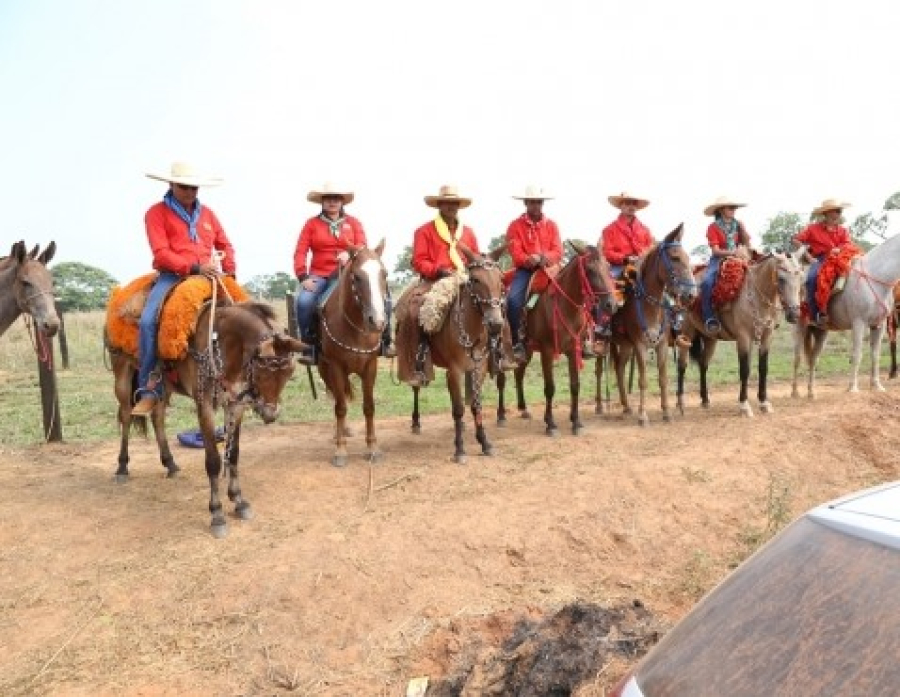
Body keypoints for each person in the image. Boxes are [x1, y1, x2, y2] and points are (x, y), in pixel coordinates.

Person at [132, 161, 236, 416]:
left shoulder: (208, 214)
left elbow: (225, 244)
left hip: (211, 277)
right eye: (184, 187)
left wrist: (230, 272)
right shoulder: (156, 213)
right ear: (171, 184)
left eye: (194, 187)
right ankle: (150, 387)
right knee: (148, 321)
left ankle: (245, 378)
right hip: (173, 276)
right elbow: (161, 252)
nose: (190, 192)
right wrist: (194, 267)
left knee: (245, 316)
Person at [292, 183, 395, 365]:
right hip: (319, 275)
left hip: (348, 274)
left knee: (384, 299)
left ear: (342, 202)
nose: (332, 202)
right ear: (322, 202)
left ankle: (385, 340)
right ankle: (310, 347)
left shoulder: (353, 223)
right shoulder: (311, 224)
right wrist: (303, 276)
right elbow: (300, 251)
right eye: (328, 199)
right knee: (304, 302)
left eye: (336, 199)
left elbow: (362, 246)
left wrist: (350, 253)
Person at [397, 185, 480, 386]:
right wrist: (438, 270)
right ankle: (418, 363)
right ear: (439, 205)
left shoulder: (468, 232)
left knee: (494, 303)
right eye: (447, 203)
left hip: (464, 278)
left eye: (454, 203)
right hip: (434, 280)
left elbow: (475, 257)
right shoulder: (424, 231)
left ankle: (500, 352)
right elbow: (418, 261)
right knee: (414, 311)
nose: (451, 206)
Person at [505, 185, 563, 363]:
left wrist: (544, 257)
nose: (536, 205)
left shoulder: (552, 225)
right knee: (513, 301)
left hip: (550, 269)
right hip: (526, 270)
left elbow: (558, 250)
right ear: (525, 203)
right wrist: (528, 259)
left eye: (539, 202)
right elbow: (515, 251)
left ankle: (583, 337)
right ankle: (517, 342)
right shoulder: (515, 226)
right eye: (532, 202)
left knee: (575, 291)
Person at [593, 191, 655, 354]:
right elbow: (607, 252)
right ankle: (602, 332)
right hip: (619, 266)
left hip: (642, 266)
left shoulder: (645, 229)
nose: (631, 206)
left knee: (661, 287)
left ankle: (675, 327)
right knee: (610, 291)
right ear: (621, 206)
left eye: (633, 203)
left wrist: (641, 256)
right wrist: (626, 258)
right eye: (627, 203)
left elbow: (651, 248)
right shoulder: (609, 229)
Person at [792, 198, 853, 326]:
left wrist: (839, 249)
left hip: (840, 258)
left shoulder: (843, 230)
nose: (838, 213)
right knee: (812, 279)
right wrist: (808, 257)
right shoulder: (812, 228)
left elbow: (848, 244)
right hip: (820, 259)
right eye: (836, 211)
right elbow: (796, 240)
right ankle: (815, 315)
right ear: (826, 213)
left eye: (839, 211)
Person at [700, 196, 751, 334]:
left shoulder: (738, 224)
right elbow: (715, 251)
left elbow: (747, 243)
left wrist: (743, 229)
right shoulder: (713, 227)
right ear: (721, 210)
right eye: (731, 208)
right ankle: (709, 317)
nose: (734, 210)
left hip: (740, 258)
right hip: (719, 259)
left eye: (735, 208)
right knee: (706, 282)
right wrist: (733, 252)